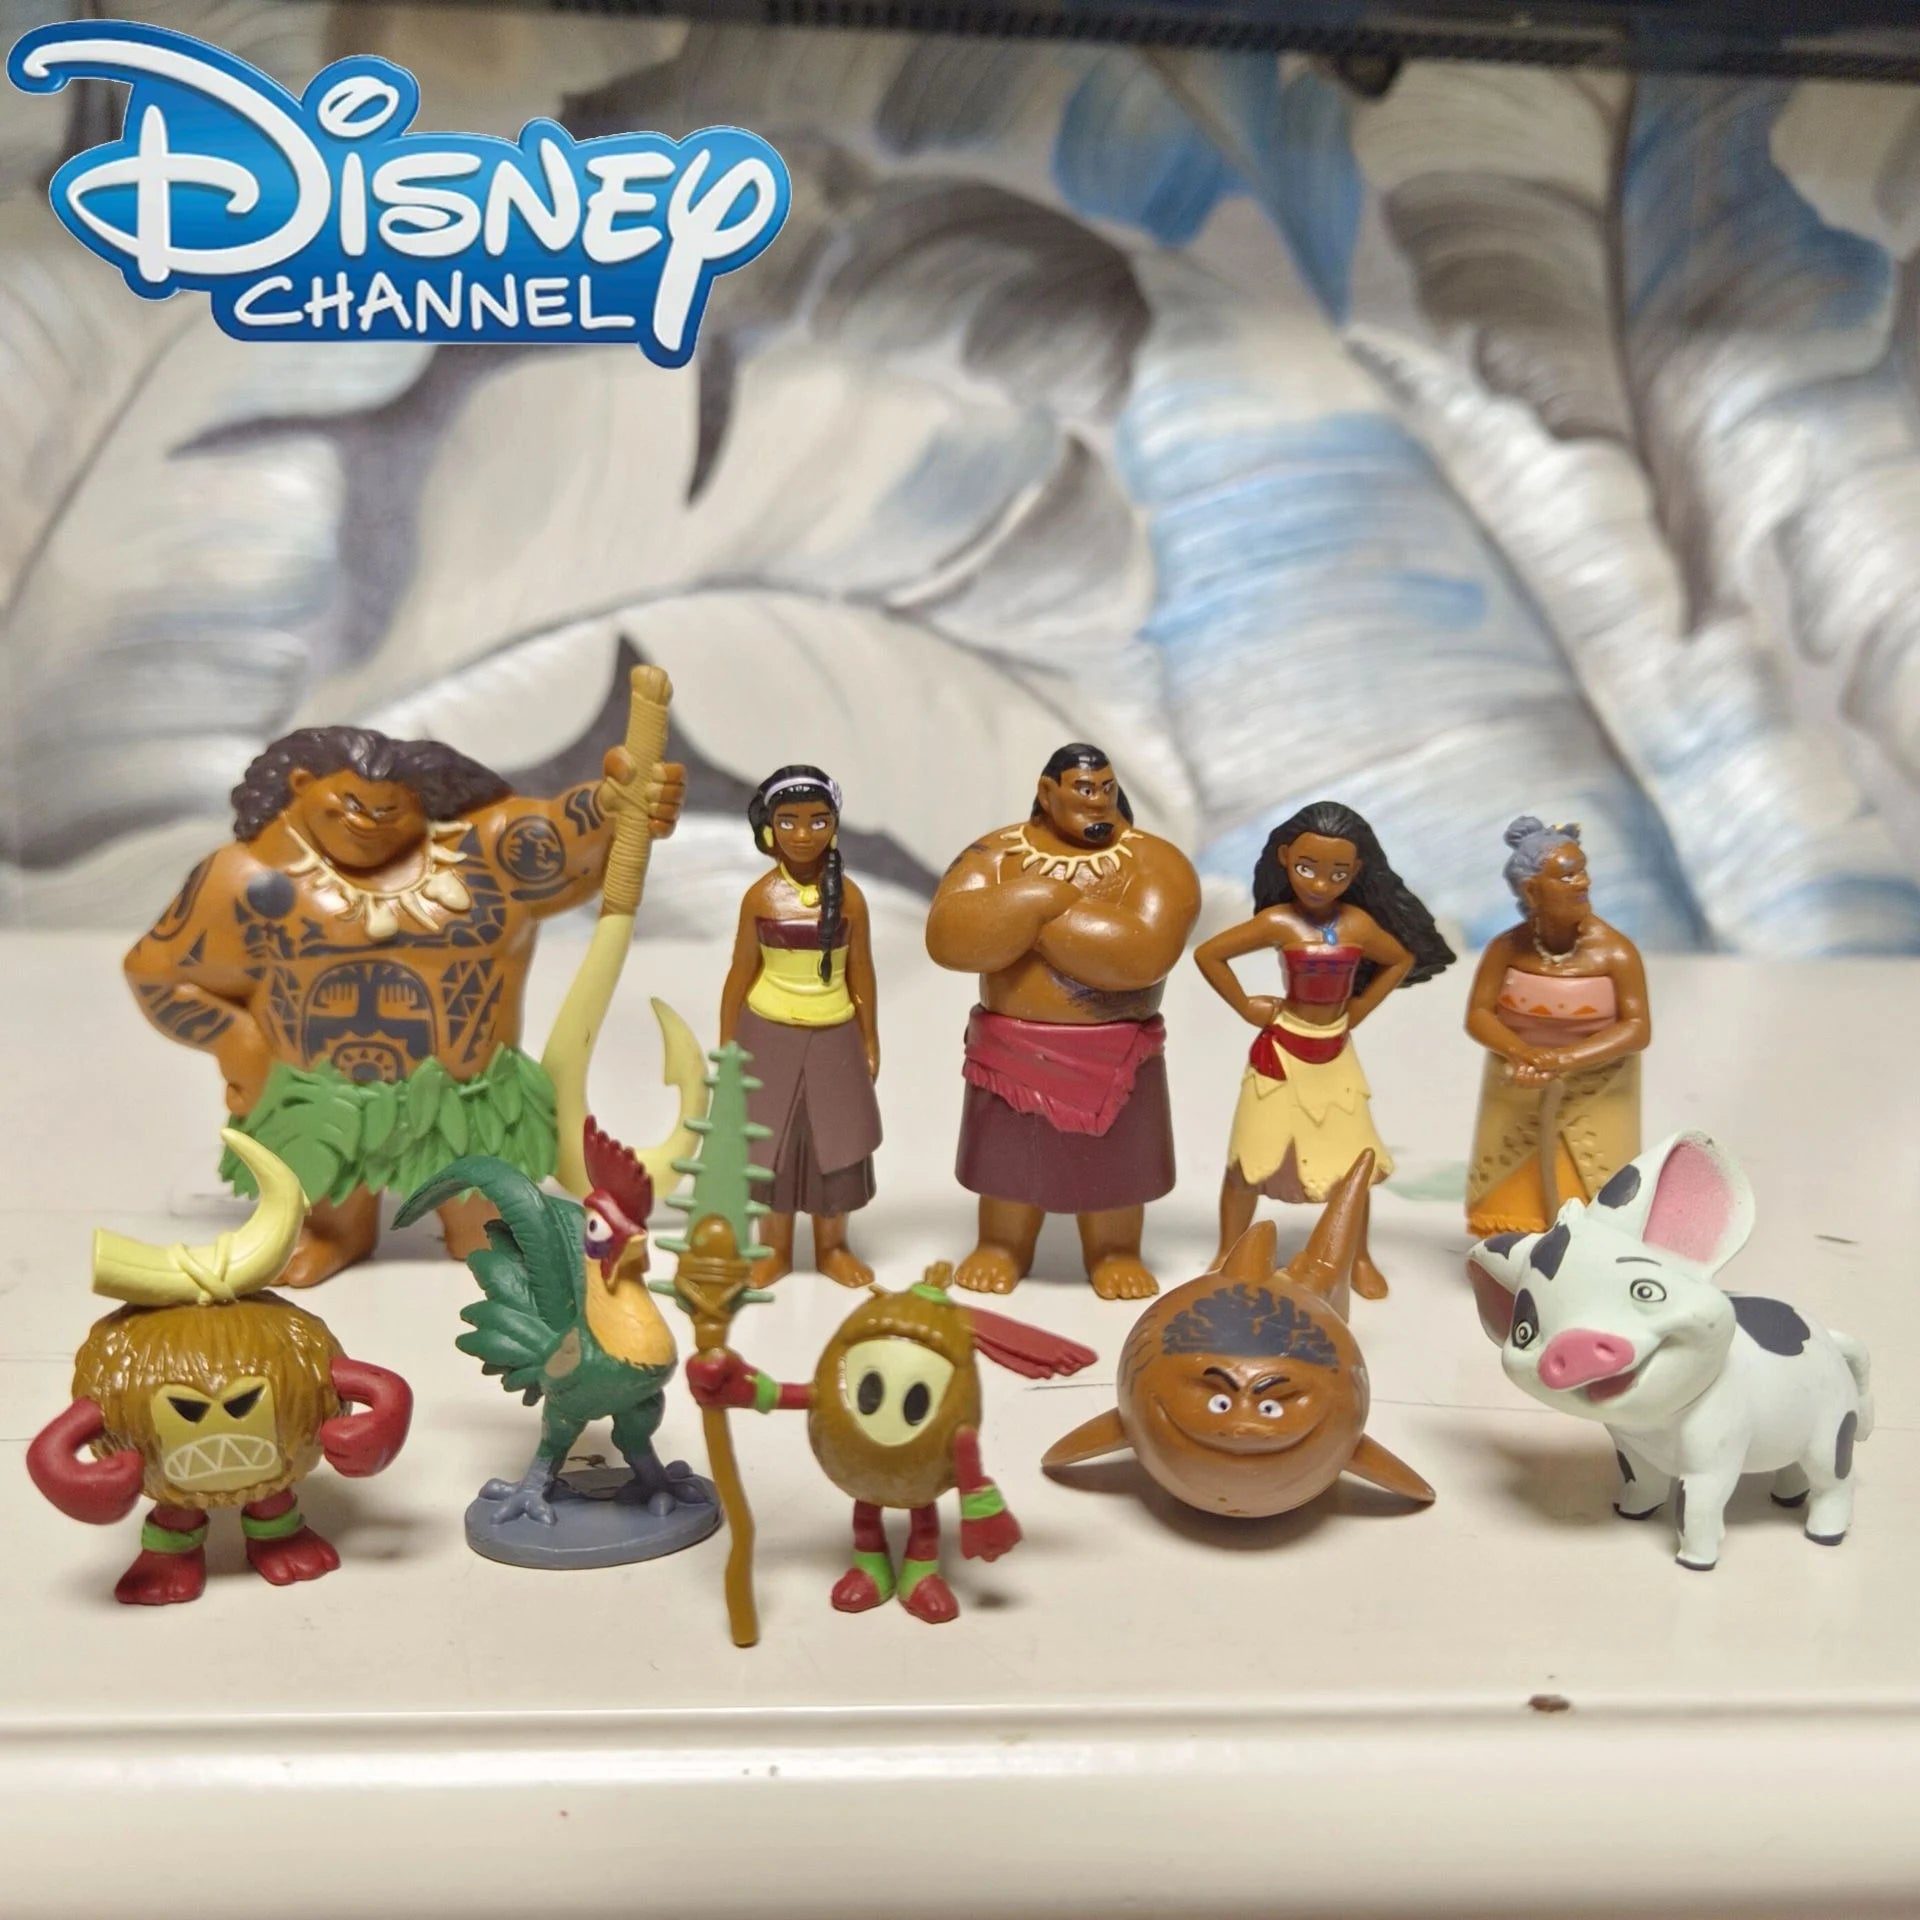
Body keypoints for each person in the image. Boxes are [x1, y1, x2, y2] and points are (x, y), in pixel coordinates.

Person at [124, 725, 682, 1287]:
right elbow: (158, 972)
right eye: (351, 804)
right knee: (328, 1180)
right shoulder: (245, 879)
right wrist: (236, 1040)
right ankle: (333, 1232)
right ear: (301, 784)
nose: (368, 822)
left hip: (467, 1097)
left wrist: (614, 805)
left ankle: (485, 1227)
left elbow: (557, 834)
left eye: (390, 809)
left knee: (481, 1196)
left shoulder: (480, 851)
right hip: (322, 1101)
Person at [925, 742, 1200, 1300]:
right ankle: (1001, 1244)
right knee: (1009, 1164)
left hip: (1115, 1050)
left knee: (1114, 1166)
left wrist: (1034, 915)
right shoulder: (994, 855)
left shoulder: (1155, 861)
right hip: (1011, 1047)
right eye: (1084, 789)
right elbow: (951, 936)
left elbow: (1140, 954)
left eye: (1105, 788)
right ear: (1048, 793)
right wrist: (1038, 896)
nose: (1097, 801)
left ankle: (1114, 1250)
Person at [1195, 801, 1453, 1298]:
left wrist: (1360, 1008)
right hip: (1281, 1053)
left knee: (1352, 1163)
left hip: (1335, 1055)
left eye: (1337, 874)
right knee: (1249, 1158)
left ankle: (1357, 1255)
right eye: (1307, 868)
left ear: (1355, 871)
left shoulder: (1357, 925)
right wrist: (1246, 1005)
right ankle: (1228, 1250)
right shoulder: (1278, 922)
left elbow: (1399, 959)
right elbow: (1210, 954)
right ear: (1286, 858)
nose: (1319, 884)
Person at [718, 765, 881, 1286]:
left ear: (835, 825)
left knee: (839, 1144)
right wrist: (727, 1046)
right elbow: (740, 974)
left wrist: (870, 1038)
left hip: (835, 1035)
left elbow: (861, 972)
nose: (804, 834)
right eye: (789, 821)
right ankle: (775, 1248)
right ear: (769, 828)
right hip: (768, 1036)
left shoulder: (850, 898)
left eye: (818, 820)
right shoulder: (760, 897)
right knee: (772, 1147)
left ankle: (834, 1246)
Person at [1463, 816, 1651, 1236]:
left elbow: (1637, 1027)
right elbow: (1479, 1014)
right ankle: (1508, 1244)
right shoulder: (1505, 948)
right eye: (1567, 875)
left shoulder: (1616, 953)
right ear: (1532, 890)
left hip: (1598, 1086)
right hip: (1517, 1081)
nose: (1582, 882)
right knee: (1511, 1183)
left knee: (1591, 1181)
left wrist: (1563, 1059)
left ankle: (1585, 1247)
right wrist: (1523, 1054)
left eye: (1582, 871)